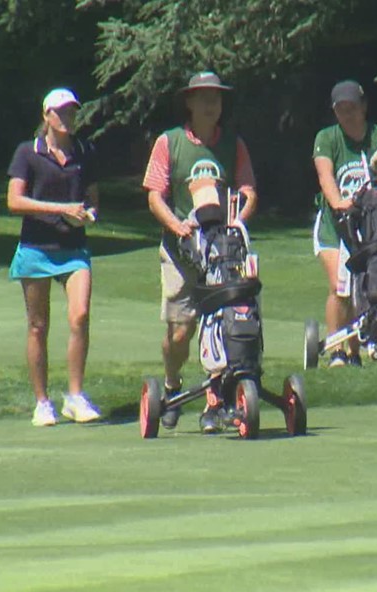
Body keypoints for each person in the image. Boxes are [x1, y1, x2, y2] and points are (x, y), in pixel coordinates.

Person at [142, 71, 258, 433]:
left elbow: (248, 190)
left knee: (227, 322)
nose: (212, 104)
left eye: (217, 97)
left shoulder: (233, 144)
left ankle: (216, 401)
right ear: (189, 103)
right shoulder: (170, 142)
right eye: (204, 97)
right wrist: (176, 226)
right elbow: (154, 196)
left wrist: (236, 220)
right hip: (181, 250)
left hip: (223, 250)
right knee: (182, 330)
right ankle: (173, 382)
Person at [6, 87, 102, 425]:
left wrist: (87, 214)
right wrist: (62, 209)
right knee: (38, 326)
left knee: (80, 316)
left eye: (73, 112)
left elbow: (92, 201)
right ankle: (43, 402)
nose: (68, 118)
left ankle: (75, 397)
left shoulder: (85, 152)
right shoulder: (27, 153)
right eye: (61, 112)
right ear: (47, 116)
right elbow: (15, 202)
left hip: (74, 249)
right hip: (35, 249)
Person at [311, 80, 377, 368]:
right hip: (337, 224)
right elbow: (325, 175)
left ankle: (362, 346)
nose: (347, 114)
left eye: (352, 108)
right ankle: (337, 350)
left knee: (369, 286)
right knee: (339, 286)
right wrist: (336, 201)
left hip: (376, 224)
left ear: (364, 107)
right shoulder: (327, 138)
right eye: (341, 110)